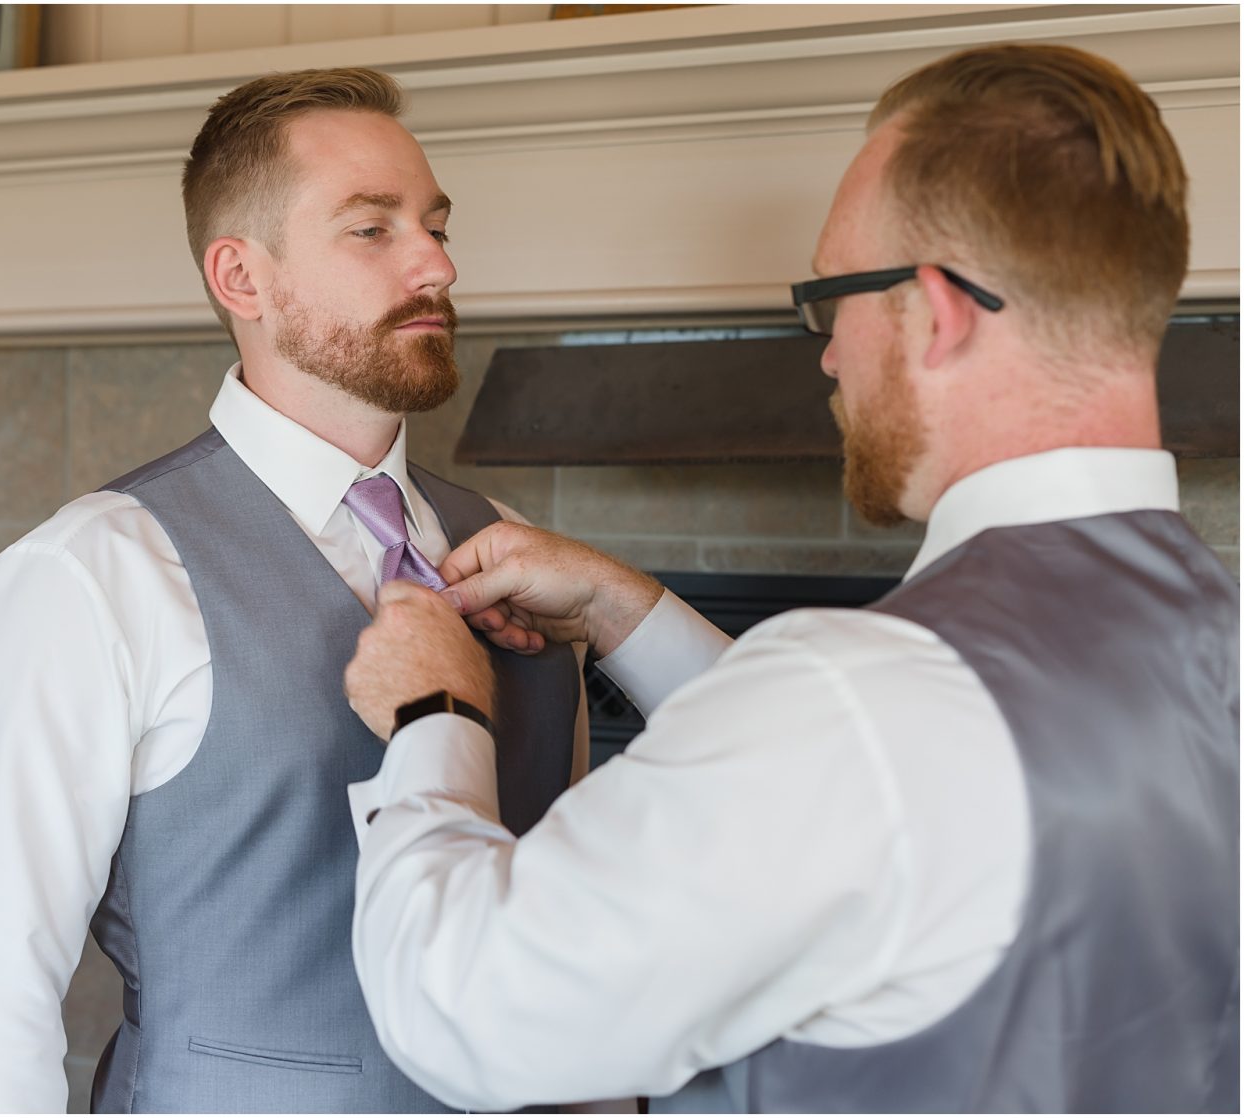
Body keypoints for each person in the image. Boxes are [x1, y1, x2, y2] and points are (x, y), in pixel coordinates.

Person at [343, 42, 1239, 1113]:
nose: (824, 356)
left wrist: (435, 711)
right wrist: (633, 611)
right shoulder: (1207, 631)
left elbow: (468, 1009)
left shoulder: (859, 702)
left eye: (829, 300)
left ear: (938, 310)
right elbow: (888, 802)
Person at [0, 67, 591, 1112]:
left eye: (436, 224)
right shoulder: (95, 573)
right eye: (372, 230)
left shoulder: (505, 552)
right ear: (243, 277)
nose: (437, 263)